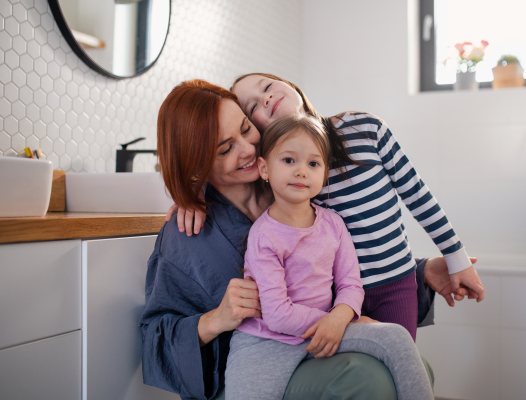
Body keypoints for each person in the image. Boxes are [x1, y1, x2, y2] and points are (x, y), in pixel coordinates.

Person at [140, 80, 441, 400]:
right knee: (367, 379)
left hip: (316, 342)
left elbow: (346, 253)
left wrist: (420, 269)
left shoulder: (294, 189)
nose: (248, 149)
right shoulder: (187, 235)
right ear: (195, 166)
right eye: (225, 148)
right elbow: (153, 341)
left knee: (414, 367)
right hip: (251, 368)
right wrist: (215, 319)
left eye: (246, 128)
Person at [169, 73, 485, 341]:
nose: (265, 100)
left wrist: (451, 260)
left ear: (290, 84)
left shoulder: (364, 129)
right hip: (332, 303)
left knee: (398, 361)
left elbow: (415, 196)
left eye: (267, 87)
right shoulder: (286, 179)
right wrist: (192, 194)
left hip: (383, 288)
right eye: (253, 108)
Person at [224, 114, 434, 400]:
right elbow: (277, 315)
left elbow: (350, 284)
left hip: (326, 329)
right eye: (288, 160)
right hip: (267, 342)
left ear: (324, 174)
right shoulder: (263, 236)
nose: (301, 171)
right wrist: (335, 321)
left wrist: (340, 317)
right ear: (264, 168)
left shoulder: (333, 224)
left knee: (396, 337)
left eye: (313, 164)